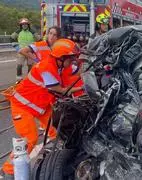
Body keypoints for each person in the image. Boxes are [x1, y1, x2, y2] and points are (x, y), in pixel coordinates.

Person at [1, 39, 83, 178]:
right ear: (61, 58)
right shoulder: (46, 68)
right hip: (23, 107)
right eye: (71, 59)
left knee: (56, 132)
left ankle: (52, 158)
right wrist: (82, 87)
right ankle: (7, 171)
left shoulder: (60, 66)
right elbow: (60, 90)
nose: (72, 61)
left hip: (40, 106)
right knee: (30, 138)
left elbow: (78, 70)